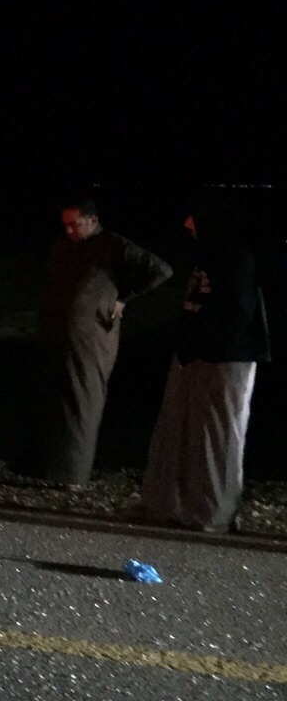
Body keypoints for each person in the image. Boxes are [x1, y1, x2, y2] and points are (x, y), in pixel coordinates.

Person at [134, 195, 271, 532]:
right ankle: (173, 504)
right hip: (195, 355)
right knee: (182, 430)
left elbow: (237, 313)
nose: (187, 224)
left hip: (225, 359)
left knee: (218, 436)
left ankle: (213, 512)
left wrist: (205, 344)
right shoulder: (209, 254)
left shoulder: (236, 258)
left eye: (193, 217)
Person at [35, 196, 173, 486]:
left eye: (76, 224)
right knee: (56, 398)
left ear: (93, 221)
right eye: (66, 226)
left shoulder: (113, 246)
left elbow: (160, 270)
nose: (70, 231)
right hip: (60, 334)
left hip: (92, 338)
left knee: (83, 400)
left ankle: (74, 475)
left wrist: (124, 297)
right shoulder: (66, 246)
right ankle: (50, 468)